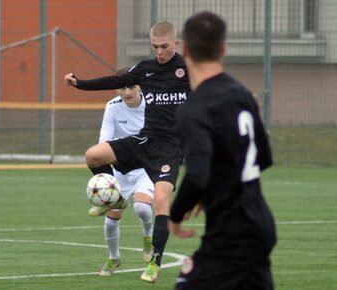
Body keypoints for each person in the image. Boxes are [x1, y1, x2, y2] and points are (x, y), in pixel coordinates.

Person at [64, 21, 190, 283]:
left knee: (161, 201)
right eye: (155, 47)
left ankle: (154, 263)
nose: (159, 52)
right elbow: (115, 80)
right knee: (93, 155)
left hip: (170, 149)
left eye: (164, 47)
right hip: (144, 141)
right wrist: (80, 84)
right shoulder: (145, 69)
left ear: (176, 44)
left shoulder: (188, 71)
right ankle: (117, 200)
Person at [169, 12, 277, 290]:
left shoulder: (195, 108)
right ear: (222, 50)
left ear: (184, 50)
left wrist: (175, 214)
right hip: (260, 224)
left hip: (232, 235)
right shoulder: (241, 94)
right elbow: (262, 157)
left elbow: (197, 175)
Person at [96, 68, 155, 276]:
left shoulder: (152, 104)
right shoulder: (112, 107)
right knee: (111, 220)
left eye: (131, 86)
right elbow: (104, 140)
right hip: (119, 171)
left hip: (144, 169)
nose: (127, 91)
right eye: (122, 87)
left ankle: (148, 239)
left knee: (141, 208)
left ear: (139, 86)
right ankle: (114, 258)